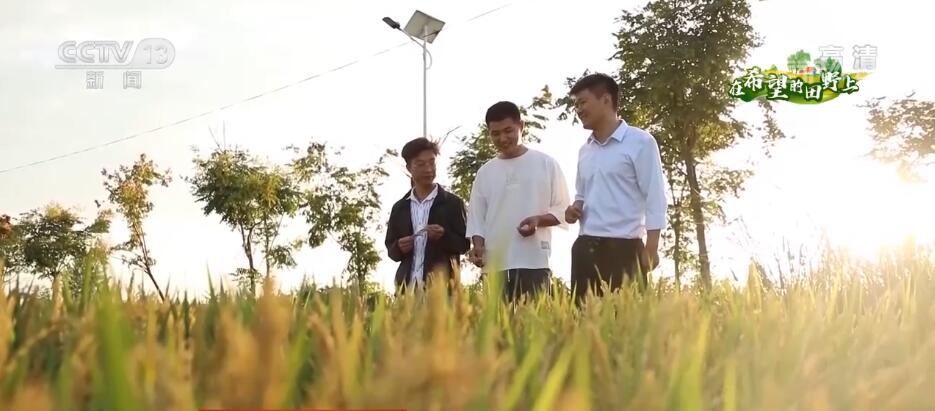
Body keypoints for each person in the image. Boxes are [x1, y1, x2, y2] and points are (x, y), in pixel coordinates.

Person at [564, 73, 668, 304]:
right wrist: (573, 209)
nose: (578, 110)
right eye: (576, 105)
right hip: (585, 248)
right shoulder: (585, 150)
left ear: (606, 100)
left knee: (627, 322)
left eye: (583, 102)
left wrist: (651, 248)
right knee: (583, 321)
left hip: (625, 249)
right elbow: (581, 194)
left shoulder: (641, 142)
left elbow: (654, 197)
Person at [466, 101, 571, 303]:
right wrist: (477, 247)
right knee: (496, 323)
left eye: (508, 131)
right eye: (495, 133)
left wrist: (538, 220)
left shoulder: (546, 163)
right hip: (494, 266)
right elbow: (477, 219)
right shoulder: (485, 172)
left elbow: (563, 210)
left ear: (521, 126)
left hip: (534, 262)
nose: (502, 138)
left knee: (534, 321)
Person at [385, 137, 470, 292]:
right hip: (407, 289)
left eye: (432, 163)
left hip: (441, 290)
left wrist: (443, 236)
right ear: (409, 168)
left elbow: (464, 245)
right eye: (420, 164)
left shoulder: (452, 203)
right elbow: (391, 250)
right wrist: (399, 247)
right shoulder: (400, 208)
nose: (428, 169)